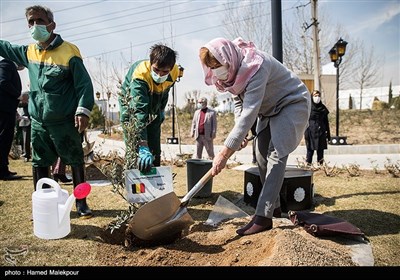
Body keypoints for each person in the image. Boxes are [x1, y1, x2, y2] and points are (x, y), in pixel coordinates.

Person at [199, 37, 311, 236]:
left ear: (228, 58)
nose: (217, 71)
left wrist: (224, 154)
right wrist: (239, 132)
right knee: (260, 156)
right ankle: (274, 207)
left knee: (276, 155)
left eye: (218, 65)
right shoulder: (231, 75)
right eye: (212, 67)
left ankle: (263, 217)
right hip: (268, 110)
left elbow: (250, 111)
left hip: (291, 103)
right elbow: (239, 104)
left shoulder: (256, 65)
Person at [0, 5, 94, 218]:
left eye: (39, 21)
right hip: (39, 123)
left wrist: (83, 111)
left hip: (64, 122)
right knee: (40, 162)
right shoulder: (29, 52)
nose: (35, 26)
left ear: (52, 24)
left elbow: (84, 85)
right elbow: (4, 47)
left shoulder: (69, 51)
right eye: (31, 22)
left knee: (75, 159)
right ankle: (44, 206)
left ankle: (81, 203)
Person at [119, 43, 180, 173]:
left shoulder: (174, 72)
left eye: (165, 71)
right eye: (156, 69)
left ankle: (155, 182)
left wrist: (162, 109)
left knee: (154, 147)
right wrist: (142, 145)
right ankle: (135, 185)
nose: (160, 74)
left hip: (154, 105)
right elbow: (139, 111)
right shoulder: (140, 76)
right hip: (131, 106)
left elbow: (165, 92)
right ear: (151, 63)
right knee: (135, 147)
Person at [0, 59, 24, 180]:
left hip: (7, 109)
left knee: (6, 138)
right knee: (4, 139)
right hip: (4, 109)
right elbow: (3, 81)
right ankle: (2, 171)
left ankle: (4, 168)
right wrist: (18, 95)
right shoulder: (6, 64)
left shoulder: (8, 65)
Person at [304, 90, 331, 165]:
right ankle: (307, 166)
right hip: (310, 131)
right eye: (315, 96)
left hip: (321, 132)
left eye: (318, 96)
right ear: (311, 97)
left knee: (320, 151)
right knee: (310, 150)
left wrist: (328, 136)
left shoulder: (323, 108)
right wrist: (305, 133)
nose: (317, 97)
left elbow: (326, 122)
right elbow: (304, 121)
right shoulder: (308, 108)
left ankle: (320, 166)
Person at [17, 91, 31, 162]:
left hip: (35, 119)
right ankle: (26, 155)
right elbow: (19, 104)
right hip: (25, 120)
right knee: (26, 139)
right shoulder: (25, 93)